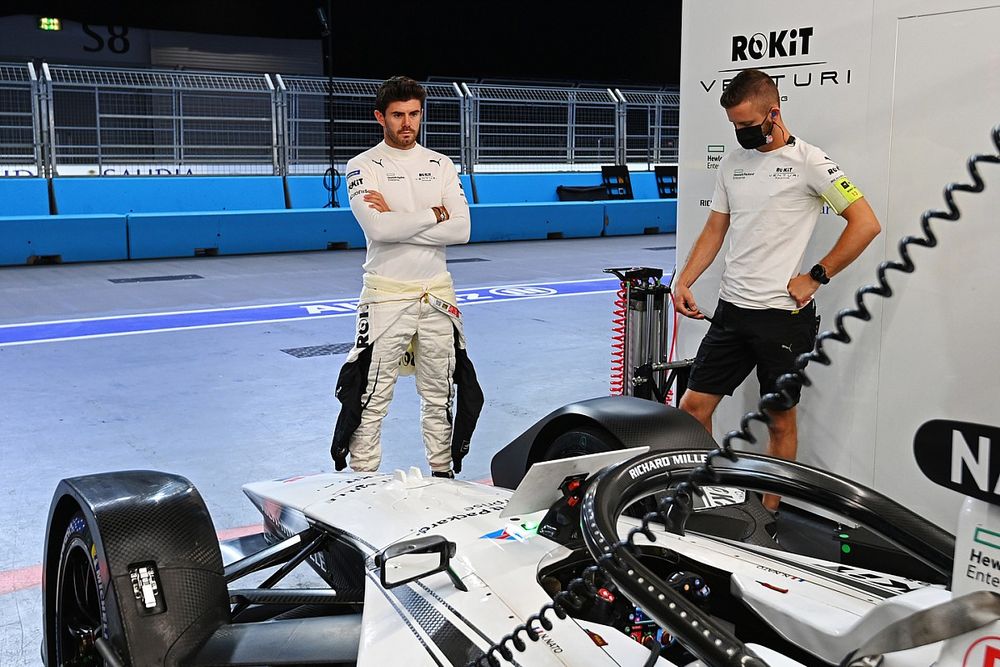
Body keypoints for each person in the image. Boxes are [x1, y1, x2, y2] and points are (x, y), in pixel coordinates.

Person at [673, 69, 881, 511]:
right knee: (693, 409)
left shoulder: (812, 162)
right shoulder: (732, 163)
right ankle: (712, 505)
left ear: (774, 113)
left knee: (779, 420)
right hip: (732, 311)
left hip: (782, 318)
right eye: (734, 126)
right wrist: (684, 279)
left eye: (748, 125)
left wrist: (817, 275)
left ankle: (768, 515)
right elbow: (715, 229)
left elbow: (865, 223)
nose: (741, 133)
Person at [330, 76, 483, 478]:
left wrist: (397, 216)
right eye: (398, 115)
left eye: (414, 114)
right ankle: (363, 481)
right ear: (381, 117)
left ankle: (443, 475)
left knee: (439, 393)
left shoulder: (440, 164)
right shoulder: (362, 166)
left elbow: (462, 230)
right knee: (371, 394)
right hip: (386, 294)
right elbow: (378, 230)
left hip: (437, 293)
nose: (407, 123)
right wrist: (434, 213)